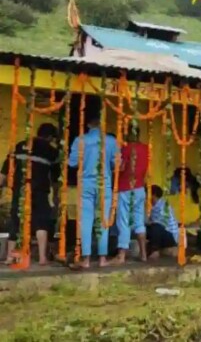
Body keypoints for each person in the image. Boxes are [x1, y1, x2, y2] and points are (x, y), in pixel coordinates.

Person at [0, 123, 60, 265]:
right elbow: (55, 179)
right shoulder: (52, 151)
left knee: (15, 221)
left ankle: (9, 257)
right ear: (50, 137)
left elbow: (4, 172)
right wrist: (56, 197)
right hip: (40, 191)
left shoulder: (20, 145)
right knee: (41, 223)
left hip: (19, 190)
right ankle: (42, 258)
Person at [68, 114, 119, 268]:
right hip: (104, 183)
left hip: (86, 183)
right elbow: (115, 163)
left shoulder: (80, 140)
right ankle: (103, 259)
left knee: (86, 220)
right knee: (103, 220)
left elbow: (72, 163)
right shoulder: (111, 141)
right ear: (102, 124)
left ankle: (86, 260)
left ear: (89, 124)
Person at [112, 127, 149, 264]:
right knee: (139, 221)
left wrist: (113, 168)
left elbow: (121, 167)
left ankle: (121, 255)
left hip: (125, 188)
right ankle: (143, 254)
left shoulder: (126, 149)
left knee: (124, 221)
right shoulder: (146, 148)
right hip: (139, 188)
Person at [146, 185, 180, 260]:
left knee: (156, 227)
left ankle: (155, 251)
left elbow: (161, 224)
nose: (146, 197)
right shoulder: (154, 206)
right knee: (142, 229)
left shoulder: (165, 205)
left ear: (153, 195)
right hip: (161, 234)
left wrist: (148, 222)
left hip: (171, 237)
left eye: (147, 194)